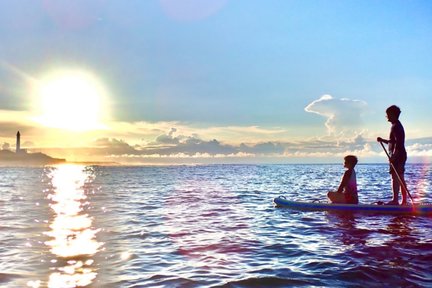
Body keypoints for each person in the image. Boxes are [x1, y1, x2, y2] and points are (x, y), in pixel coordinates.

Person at [377, 105, 408, 205]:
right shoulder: (396, 126)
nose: (387, 118)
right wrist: (382, 140)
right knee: (400, 178)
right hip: (399, 155)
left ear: (393, 115)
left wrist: (394, 156)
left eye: (388, 115)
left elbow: (398, 143)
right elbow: (392, 142)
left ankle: (396, 201)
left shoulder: (396, 127)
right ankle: (403, 201)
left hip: (398, 156)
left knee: (396, 178)